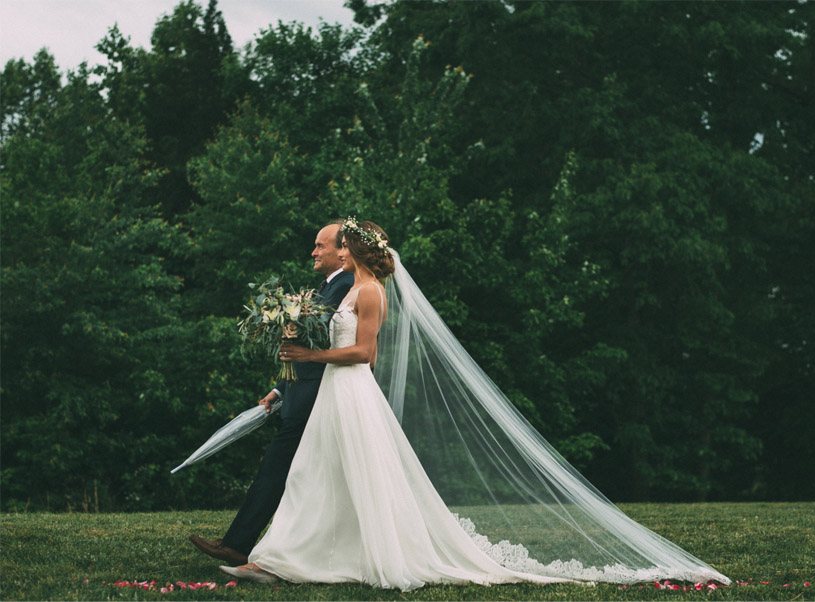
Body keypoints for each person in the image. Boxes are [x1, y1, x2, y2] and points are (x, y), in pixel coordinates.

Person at [220, 219, 732, 590]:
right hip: (334, 392)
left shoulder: (371, 291)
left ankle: (280, 560)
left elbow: (366, 353)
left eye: (325, 245)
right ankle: (283, 559)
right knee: (316, 475)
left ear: (349, 252)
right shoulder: (343, 290)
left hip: (350, 391)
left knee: (326, 474)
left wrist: (311, 352)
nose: (316, 252)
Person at [189, 222, 353, 566]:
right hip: (300, 391)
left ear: (341, 249)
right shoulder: (328, 286)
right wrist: (280, 388)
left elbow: (326, 339)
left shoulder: (347, 285)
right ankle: (247, 542)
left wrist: (291, 331)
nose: (313, 252)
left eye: (319, 246)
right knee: (296, 471)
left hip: (317, 394)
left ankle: (239, 544)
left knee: (278, 468)